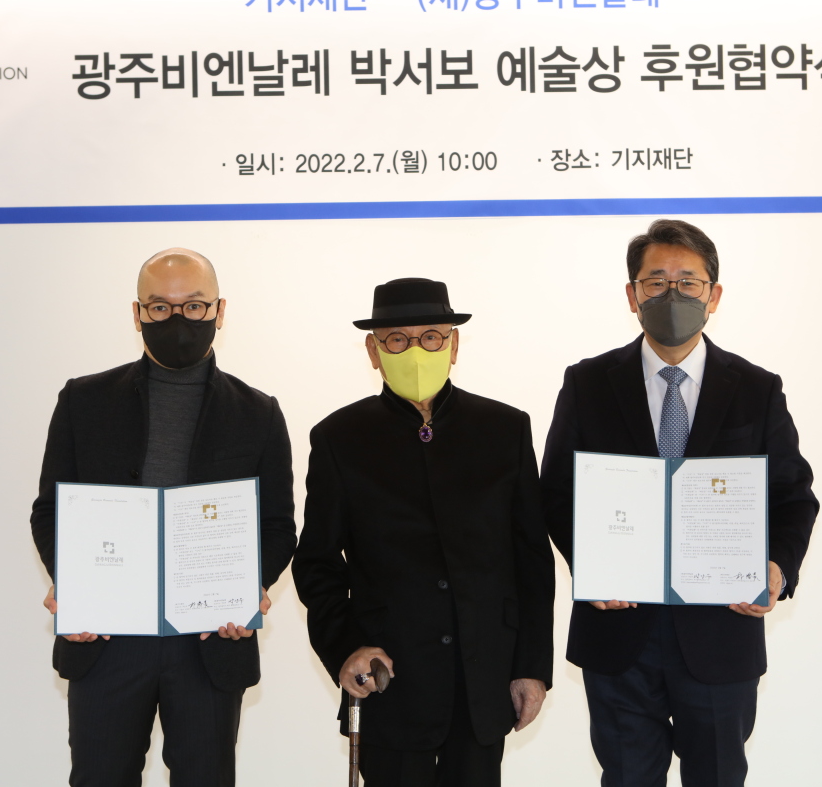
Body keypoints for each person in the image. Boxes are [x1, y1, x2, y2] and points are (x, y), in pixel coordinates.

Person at [541, 220, 819, 787]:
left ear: (714, 295)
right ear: (631, 295)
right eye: (655, 281)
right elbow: (554, 493)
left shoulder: (756, 388)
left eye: (688, 282)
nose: (672, 294)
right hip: (618, 632)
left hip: (721, 632)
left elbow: (794, 497)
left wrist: (777, 568)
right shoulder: (588, 383)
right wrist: (592, 568)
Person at [29, 248, 297, 787]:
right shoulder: (83, 401)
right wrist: (74, 586)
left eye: (194, 307)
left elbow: (277, 525)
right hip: (104, 638)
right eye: (159, 308)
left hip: (208, 640)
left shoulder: (258, 412)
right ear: (137, 314)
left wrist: (249, 586)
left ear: (220, 311)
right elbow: (50, 511)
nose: (177, 321)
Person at [293, 277, 555, 787]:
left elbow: (531, 560)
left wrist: (531, 666)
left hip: (482, 679)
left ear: (454, 344)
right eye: (397, 339)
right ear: (374, 351)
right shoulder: (337, 438)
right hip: (389, 681)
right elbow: (317, 562)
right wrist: (347, 647)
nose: (416, 349)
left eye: (432, 336)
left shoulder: (506, 428)